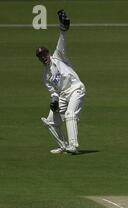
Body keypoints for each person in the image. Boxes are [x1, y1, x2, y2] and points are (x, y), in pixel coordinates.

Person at [36, 10, 86, 154]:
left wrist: (63, 28)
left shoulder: (58, 56)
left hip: (76, 89)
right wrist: (54, 100)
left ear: (48, 53)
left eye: (44, 54)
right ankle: (63, 146)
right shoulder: (45, 75)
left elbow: (62, 41)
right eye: (40, 56)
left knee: (70, 114)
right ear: (39, 59)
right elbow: (53, 91)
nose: (43, 57)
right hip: (63, 95)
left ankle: (74, 146)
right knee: (50, 121)